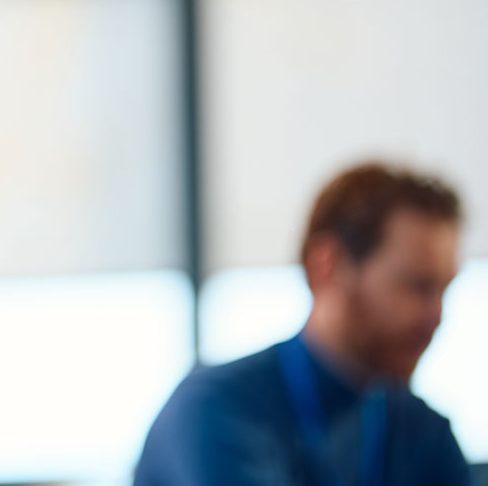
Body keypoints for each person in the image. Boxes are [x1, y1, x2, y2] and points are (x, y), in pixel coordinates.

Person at [134, 162, 470, 486]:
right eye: (417, 286)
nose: (436, 316)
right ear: (328, 266)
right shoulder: (216, 413)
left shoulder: (423, 431)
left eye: (444, 289)